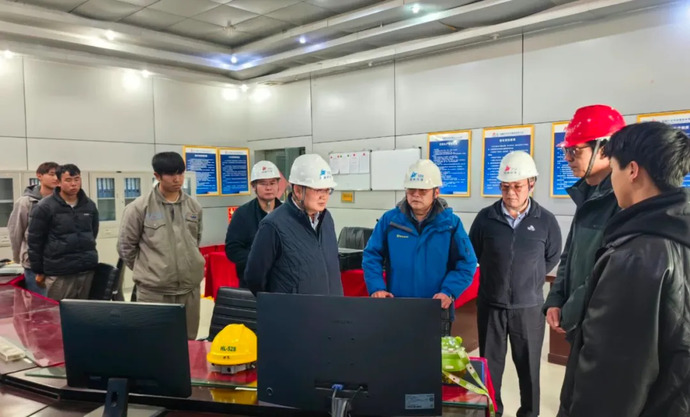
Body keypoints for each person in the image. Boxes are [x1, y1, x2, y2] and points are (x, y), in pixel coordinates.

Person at [558, 122, 690, 417]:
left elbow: (612, 378)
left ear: (632, 170)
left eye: (614, 168)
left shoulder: (636, 257)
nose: (612, 178)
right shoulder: (677, 234)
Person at [469, 151, 562, 417]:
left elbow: (552, 256)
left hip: (529, 308)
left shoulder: (546, 221)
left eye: (517, 186)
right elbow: (474, 252)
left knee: (529, 369)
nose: (510, 193)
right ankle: (492, 412)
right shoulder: (485, 219)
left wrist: (527, 279)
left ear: (531, 184)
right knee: (490, 370)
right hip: (491, 306)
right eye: (505, 186)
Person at [543, 104, 624, 339]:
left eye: (575, 151)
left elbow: (610, 271)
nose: (567, 158)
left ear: (604, 149)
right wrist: (556, 299)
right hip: (581, 325)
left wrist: (570, 311)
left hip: (605, 328)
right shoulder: (588, 194)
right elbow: (569, 254)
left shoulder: (622, 200)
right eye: (566, 150)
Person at [362, 159, 477, 317]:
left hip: (436, 308)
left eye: (422, 191)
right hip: (396, 307)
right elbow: (371, 255)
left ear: (436, 192)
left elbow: (467, 263)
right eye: (411, 190)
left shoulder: (450, 224)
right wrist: (377, 288)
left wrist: (448, 291)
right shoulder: (390, 221)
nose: (416, 195)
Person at [118, 152, 204, 339]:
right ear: (157, 176)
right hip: (154, 293)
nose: (177, 179)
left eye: (180, 173)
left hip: (189, 290)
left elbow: (195, 241)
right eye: (171, 174)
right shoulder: (139, 208)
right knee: (153, 343)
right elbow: (126, 247)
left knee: (188, 342)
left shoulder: (194, 207)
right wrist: (150, 269)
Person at [245, 154, 343, 296]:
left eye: (327, 190)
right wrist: (281, 303)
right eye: (318, 190)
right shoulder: (273, 226)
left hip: (330, 307)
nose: (324, 196)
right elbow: (255, 278)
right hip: (293, 309)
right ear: (297, 190)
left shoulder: (326, 219)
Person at [27, 164, 99, 300]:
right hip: (59, 272)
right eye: (68, 180)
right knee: (58, 310)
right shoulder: (45, 207)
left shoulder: (89, 205)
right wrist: (39, 271)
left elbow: (92, 233)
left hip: (86, 269)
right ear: (59, 182)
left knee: (85, 310)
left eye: (77, 179)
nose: (73, 184)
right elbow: (35, 241)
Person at [225, 161, 282, 287]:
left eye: (272, 183)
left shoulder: (287, 214)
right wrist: (259, 260)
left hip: (282, 282)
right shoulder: (242, 214)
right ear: (253, 186)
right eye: (263, 183)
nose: (268, 188)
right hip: (251, 283)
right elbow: (232, 249)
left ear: (278, 184)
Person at [8, 162, 59, 295]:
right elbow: (16, 232)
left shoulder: (62, 201)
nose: (55, 178)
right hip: (34, 264)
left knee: (59, 304)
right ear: (39, 176)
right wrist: (18, 258)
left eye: (58, 175)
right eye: (51, 174)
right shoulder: (26, 202)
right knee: (41, 303)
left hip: (59, 263)